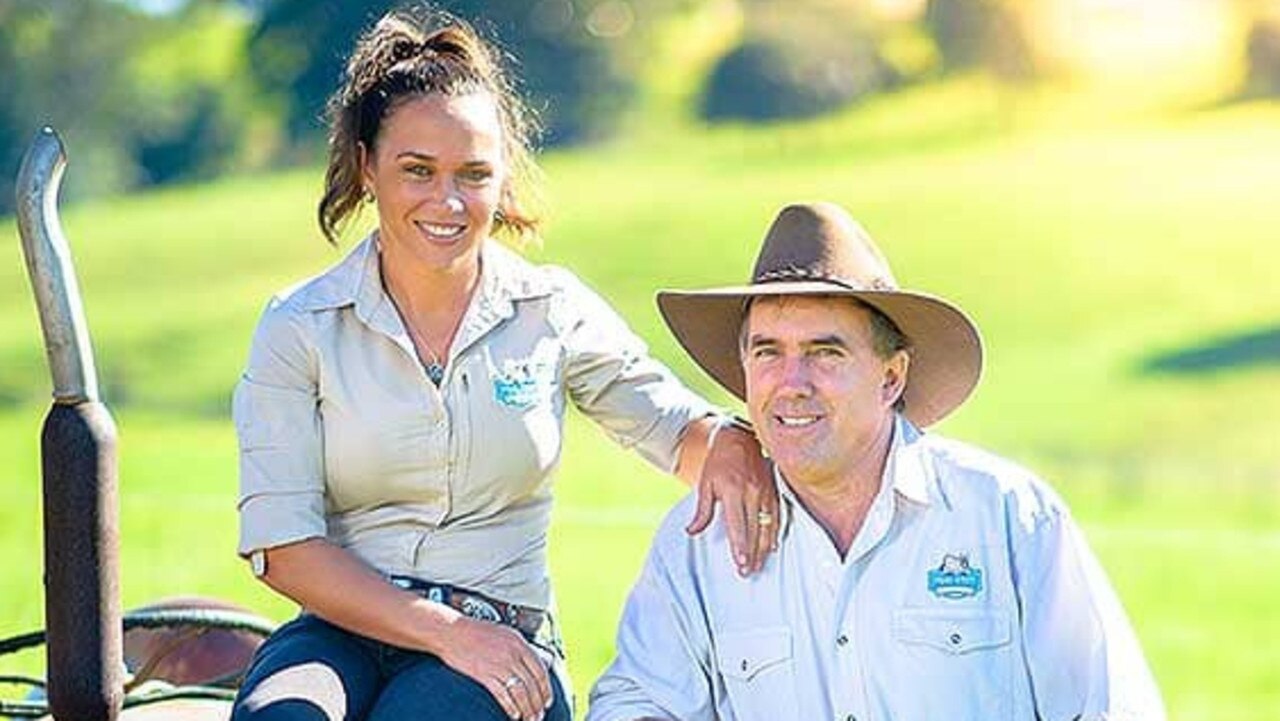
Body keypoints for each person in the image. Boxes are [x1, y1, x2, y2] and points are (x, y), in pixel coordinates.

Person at [228, 7, 775, 721]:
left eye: (474, 174)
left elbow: (675, 429)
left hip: (504, 635)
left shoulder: (551, 309)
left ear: (502, 177)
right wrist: (442, 631)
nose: (447, 200)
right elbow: (285, 546)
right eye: (417, 170)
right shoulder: (299, 325)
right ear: (367, 167)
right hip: (338, 633)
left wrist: (731, 440)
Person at [587, 202, 1166, 721]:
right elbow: (636, 701)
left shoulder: (1008, 516)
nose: (792, 383)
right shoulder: (698, 543)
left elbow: (1113, 708)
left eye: (824, 353)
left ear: (892, 377)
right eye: (768, 352)